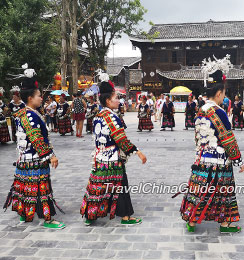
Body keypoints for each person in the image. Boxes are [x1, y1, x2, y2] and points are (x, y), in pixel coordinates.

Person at [180, 69, 244, 233]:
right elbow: (228, 139)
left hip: (202, 160)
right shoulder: (219, 112)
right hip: (219, 161)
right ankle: (225, 225)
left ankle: (192, 221)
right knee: (222, 193)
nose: (224, 97)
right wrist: (238, 161)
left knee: (200, 191)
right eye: (223, 93)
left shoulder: (200, 111)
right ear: (218, 93)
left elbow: (197, 137)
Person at [80, 73, 147, 226]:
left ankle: (90, 216)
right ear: (108, 101)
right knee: (121, 186)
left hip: (99, 158)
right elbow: (121, 139)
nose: (119, 100)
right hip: (113, 158)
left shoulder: (98, 116)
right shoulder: (111, 117)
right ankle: (125, 217)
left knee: (97, 185)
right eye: (116, 97)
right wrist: (138, 152)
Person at [3, 66, 65, 229]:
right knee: (41, 188)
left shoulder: (25, 113)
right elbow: (36, 138)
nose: (41, 98)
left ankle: (25, 214)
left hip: (25, 159)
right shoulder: (30, 115)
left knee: (26, 188)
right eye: (39, 95)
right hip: (35, 159)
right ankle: (47, 219)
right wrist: (51, 155)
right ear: (30, 98)